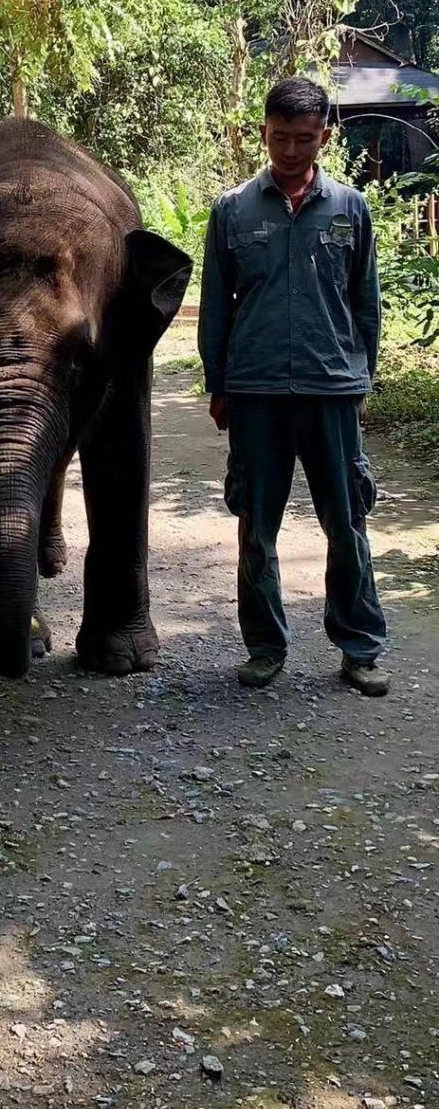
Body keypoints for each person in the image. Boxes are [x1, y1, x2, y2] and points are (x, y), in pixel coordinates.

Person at [199, 77, 389, 697]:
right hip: (255, 390)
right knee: (256, 525)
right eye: (279, 137)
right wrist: (218, 383)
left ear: (323, 138)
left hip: (331, 388)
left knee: (348, 522)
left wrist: (363, 378)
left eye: (303, 139)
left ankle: (359, 647)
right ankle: (265, 647)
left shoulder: (350, 208)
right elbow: (216, 306)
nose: (290, 150)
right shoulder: (232, 210)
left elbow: (365, 302)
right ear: (264, 132)